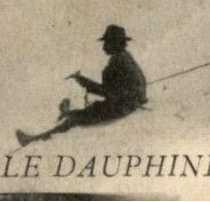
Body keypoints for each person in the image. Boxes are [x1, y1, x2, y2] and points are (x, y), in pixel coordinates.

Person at [15, 24, 147, 146]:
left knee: (75, 118)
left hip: (122, 106)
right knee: (82, 112)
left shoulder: (118, 62)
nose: (104, 46)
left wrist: (83, 81)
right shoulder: (125, 58)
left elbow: (108, 91)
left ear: (115, 43)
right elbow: (138, 84)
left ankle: (33, 140)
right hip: (127, 102)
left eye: (107, 42)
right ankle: (66, 113)